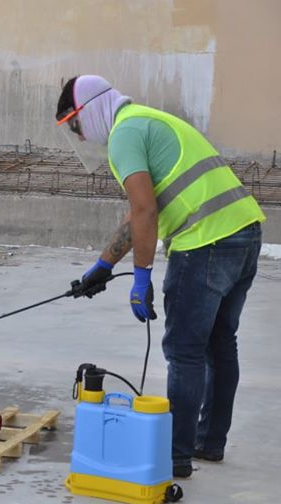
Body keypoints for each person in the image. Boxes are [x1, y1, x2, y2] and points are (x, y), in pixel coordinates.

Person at [57, 75, 265, 479]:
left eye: (75, 125)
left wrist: (141, 275)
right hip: (245, 234)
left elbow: (145, 211)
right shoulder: (146, 120)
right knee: (220, 344)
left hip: (204, 243)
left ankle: (175, 456)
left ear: (89, 110)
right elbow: (142, 208)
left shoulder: (124, 135)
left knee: (185, 351)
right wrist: (104, 264)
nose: (79, 137)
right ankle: (209, 442)